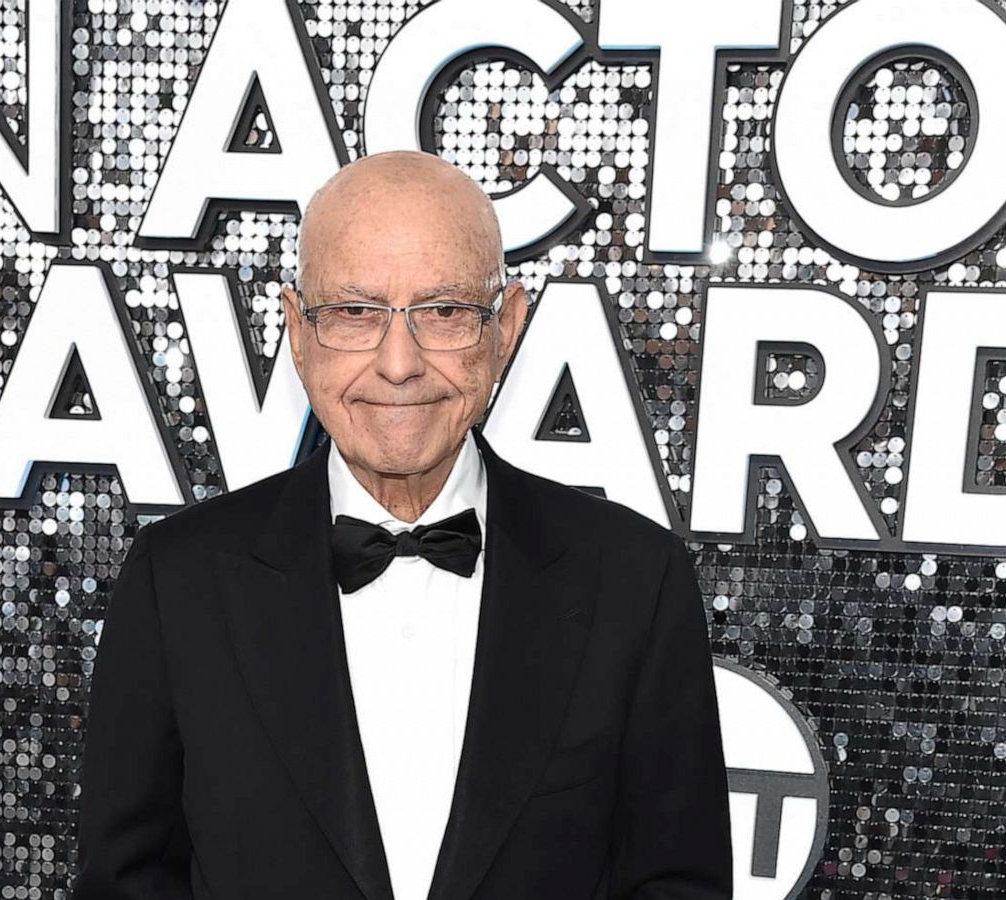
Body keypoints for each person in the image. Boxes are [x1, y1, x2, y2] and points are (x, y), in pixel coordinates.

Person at [73, 150, 731, 899]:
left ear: (505, 326)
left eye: (443, 312)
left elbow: (678, 884)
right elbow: (125, 885)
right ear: (296, 329)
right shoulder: (177, 581)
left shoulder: (636, 581)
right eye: (355, 312)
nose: (398, 363)